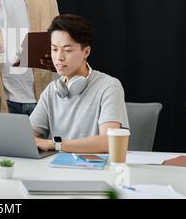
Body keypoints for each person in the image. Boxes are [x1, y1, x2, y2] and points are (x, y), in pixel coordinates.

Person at [30, 14, 129, 153]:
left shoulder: (109, 86)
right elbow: (27, 137)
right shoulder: (52, 90)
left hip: (95, 171)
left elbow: (109, 142)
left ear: (86, 52)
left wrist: (55, 144)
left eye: (67, 50)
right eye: (54, 49)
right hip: (54, 170)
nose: (59, 57)